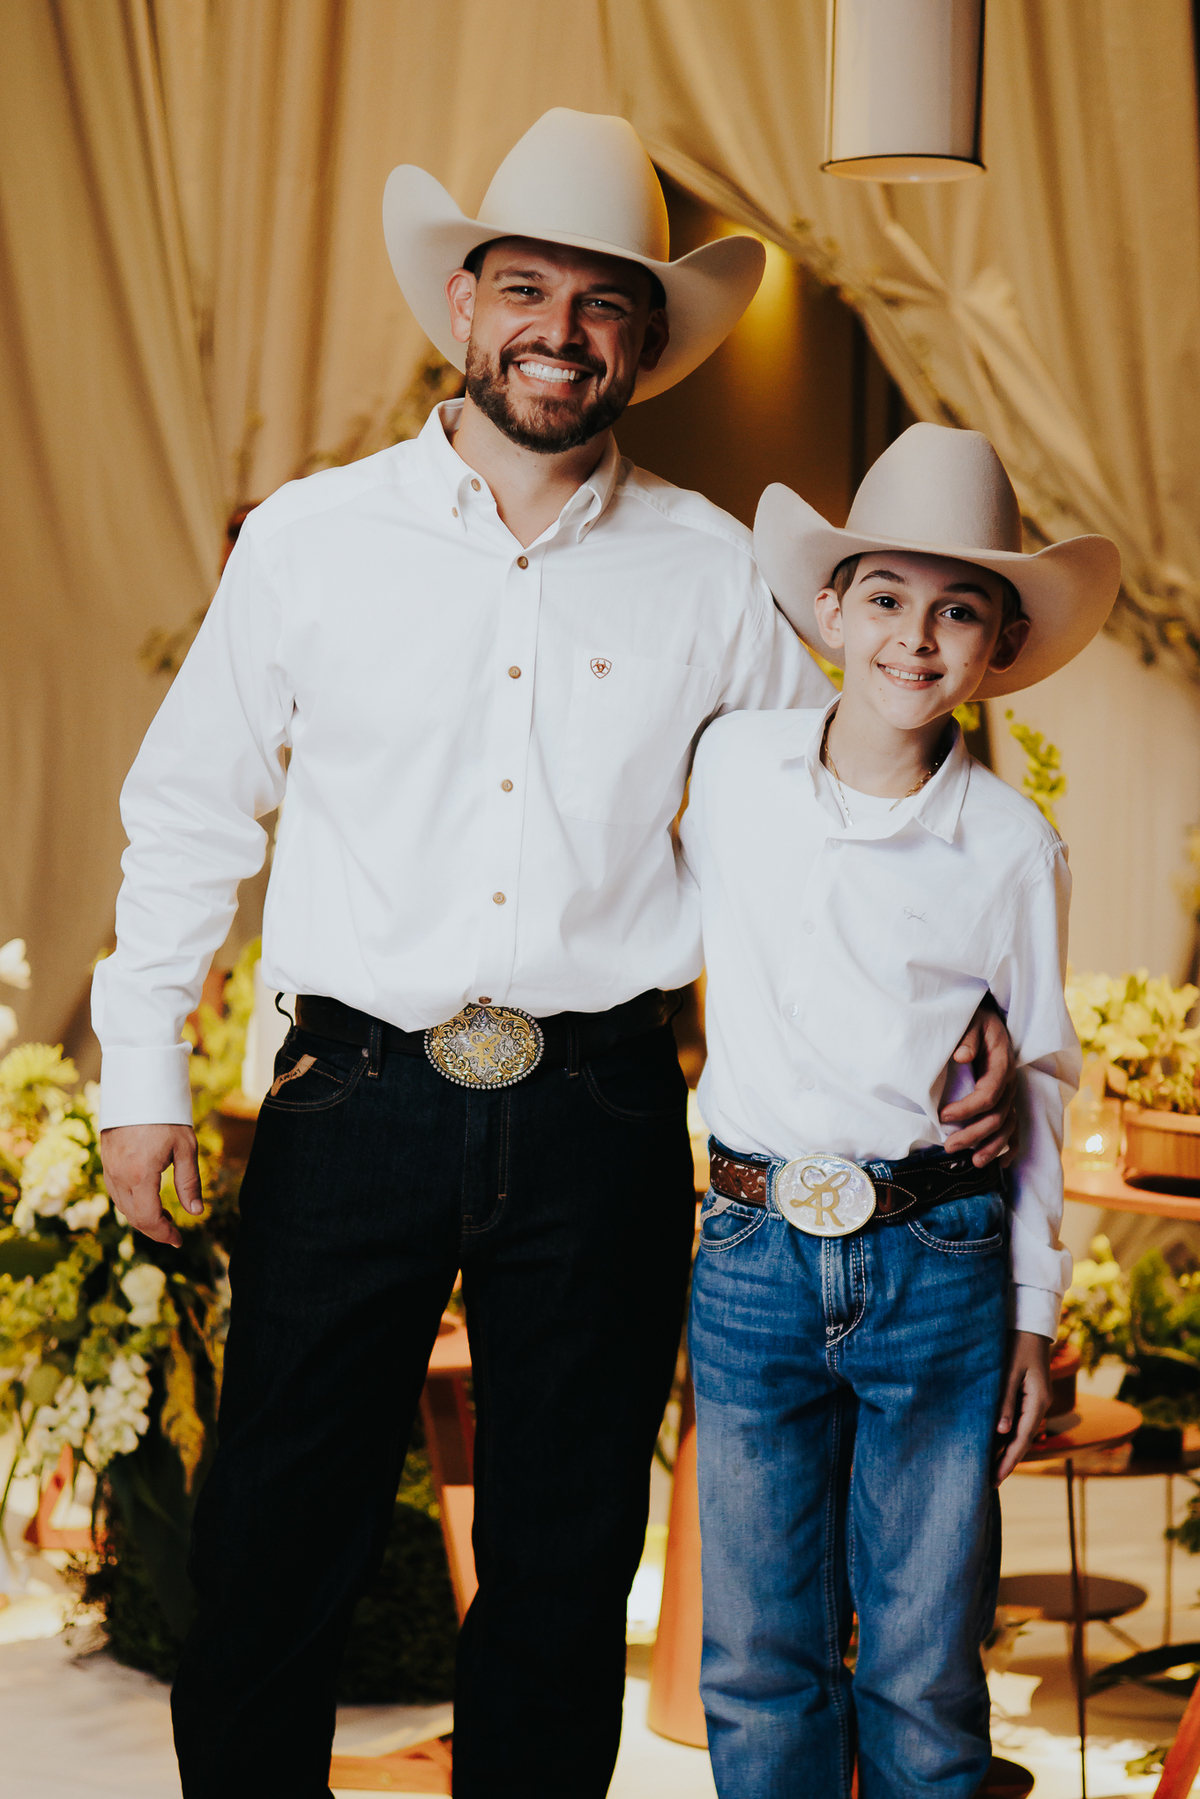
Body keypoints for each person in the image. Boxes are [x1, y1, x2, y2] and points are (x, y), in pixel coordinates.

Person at [94, 113, 1015, 1798]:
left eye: (605, 305)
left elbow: (827, 833)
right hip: (350, 1101)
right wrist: (142, 1073)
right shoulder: (311, 537)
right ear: (462, 303)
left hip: (600, 1116)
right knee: (271, 1549)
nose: (560, 331)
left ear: (647, 345)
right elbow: (190, 808)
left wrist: (974, 1017)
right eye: (526, 289)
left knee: (562, 1573)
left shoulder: (718, 573)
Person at [679, 423, 1121, 1799]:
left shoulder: (1011, 847)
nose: (914, 639)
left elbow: (1039, 1078)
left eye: (957, 612)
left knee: (924, 1668)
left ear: (1000, 645)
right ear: (830, 609)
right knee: (756, 1656)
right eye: (885, 598)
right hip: (748, 1252)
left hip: (937, 1260)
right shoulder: (732, 770)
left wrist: (1035, 1309)